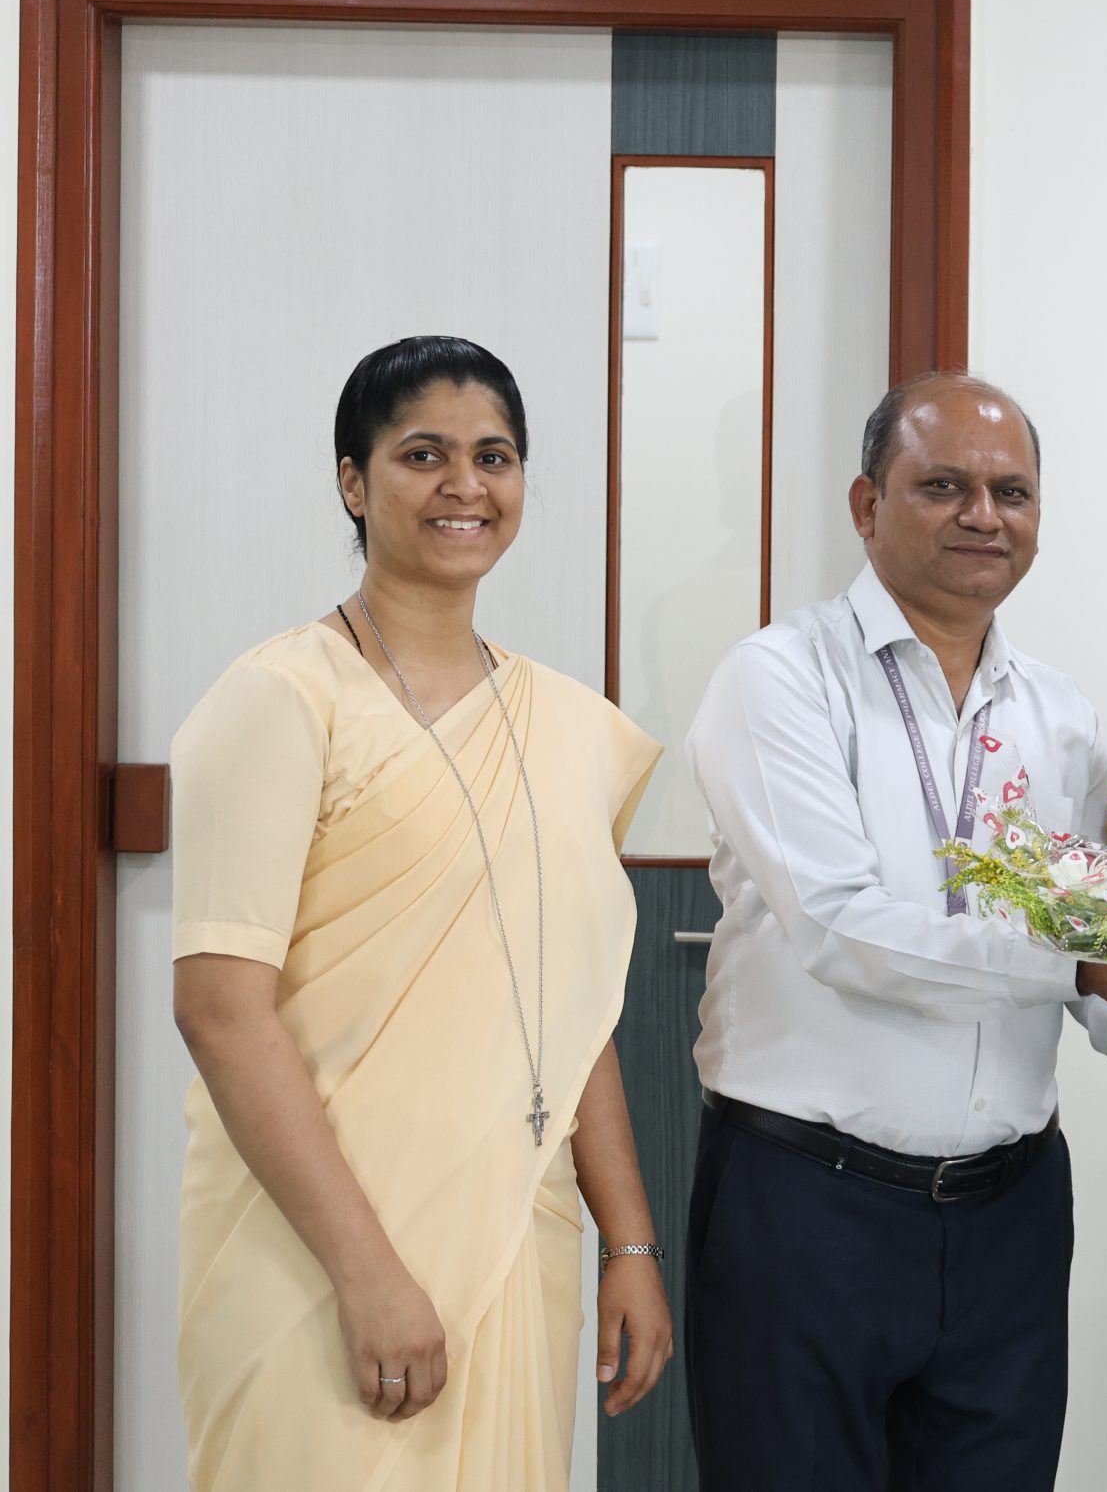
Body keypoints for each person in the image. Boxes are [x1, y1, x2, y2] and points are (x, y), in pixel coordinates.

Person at [683, 372, 1107, 1492]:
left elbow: (1097, 943)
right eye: (943, 487)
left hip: (1007, 1218)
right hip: (807, 1207)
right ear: (867, 505)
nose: (983, 515)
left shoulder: (1056, 717)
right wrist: (1088, 969)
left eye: (1011, 491)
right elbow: (843, 929)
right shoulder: (779, 679)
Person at [172, 336, 674, 1492]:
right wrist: (367, 1274)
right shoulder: (283, 698)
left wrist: (630, 1241)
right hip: (312, 1255)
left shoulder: (565, 726)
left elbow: (572, 1008)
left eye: (493, 457)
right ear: (354, 482)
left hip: (513, 1237)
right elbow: (219, 1013)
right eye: (422, 455)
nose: (465, 485)